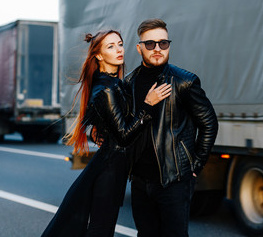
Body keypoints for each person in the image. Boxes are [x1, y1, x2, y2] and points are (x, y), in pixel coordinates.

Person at [41, 29, 171, 237]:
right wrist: (148, 105)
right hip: (110, 169)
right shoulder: (107, 89)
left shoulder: (115, 83)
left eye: (120, 44)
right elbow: (124, 136)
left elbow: (112, 119)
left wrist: (97, 129)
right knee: (101, 229)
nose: (119, 50)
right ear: (99, 55)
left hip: (114, 166)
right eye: (111, 46)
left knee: (101, 228)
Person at [123, 19, 219, 237]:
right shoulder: (129, 83)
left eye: (163, 43)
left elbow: (209, 122)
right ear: (139, 48)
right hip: (139, 181)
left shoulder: (184, 81)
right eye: (150, 44)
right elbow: (127, 127)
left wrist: (195, 164)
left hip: (174, 180)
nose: (157, 49)